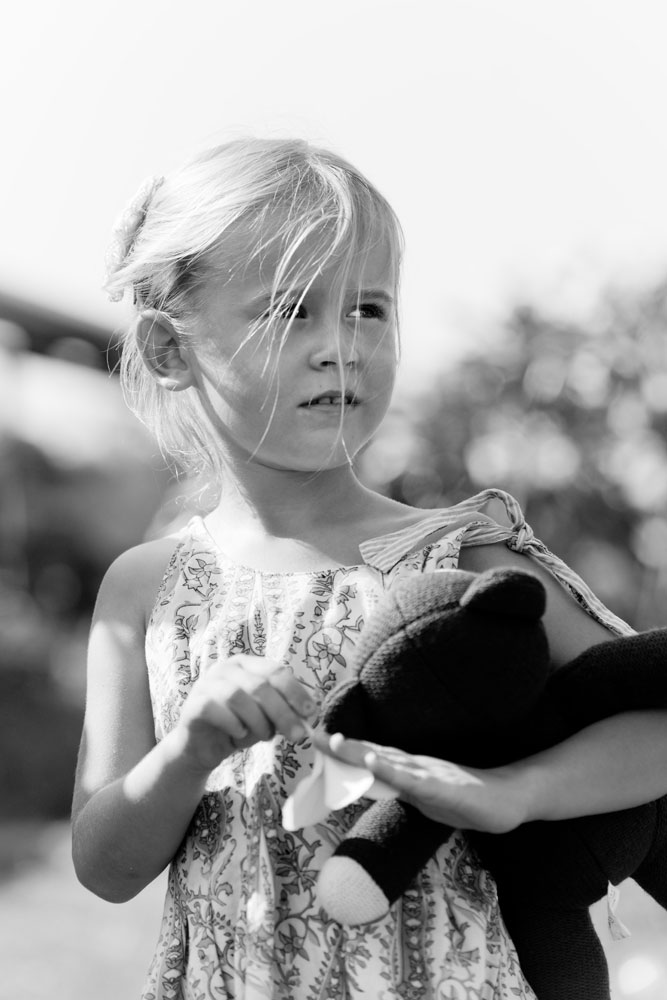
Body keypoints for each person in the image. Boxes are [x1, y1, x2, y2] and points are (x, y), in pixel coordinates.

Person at [71, 137, 667, 1000]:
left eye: (369, 310)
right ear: (169, 351)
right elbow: (104, 864)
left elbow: (650, 718)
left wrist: (517, 792)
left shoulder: (465, 557)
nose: (339, 347)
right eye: (289, 311)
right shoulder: (144, 590)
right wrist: (191, 746)